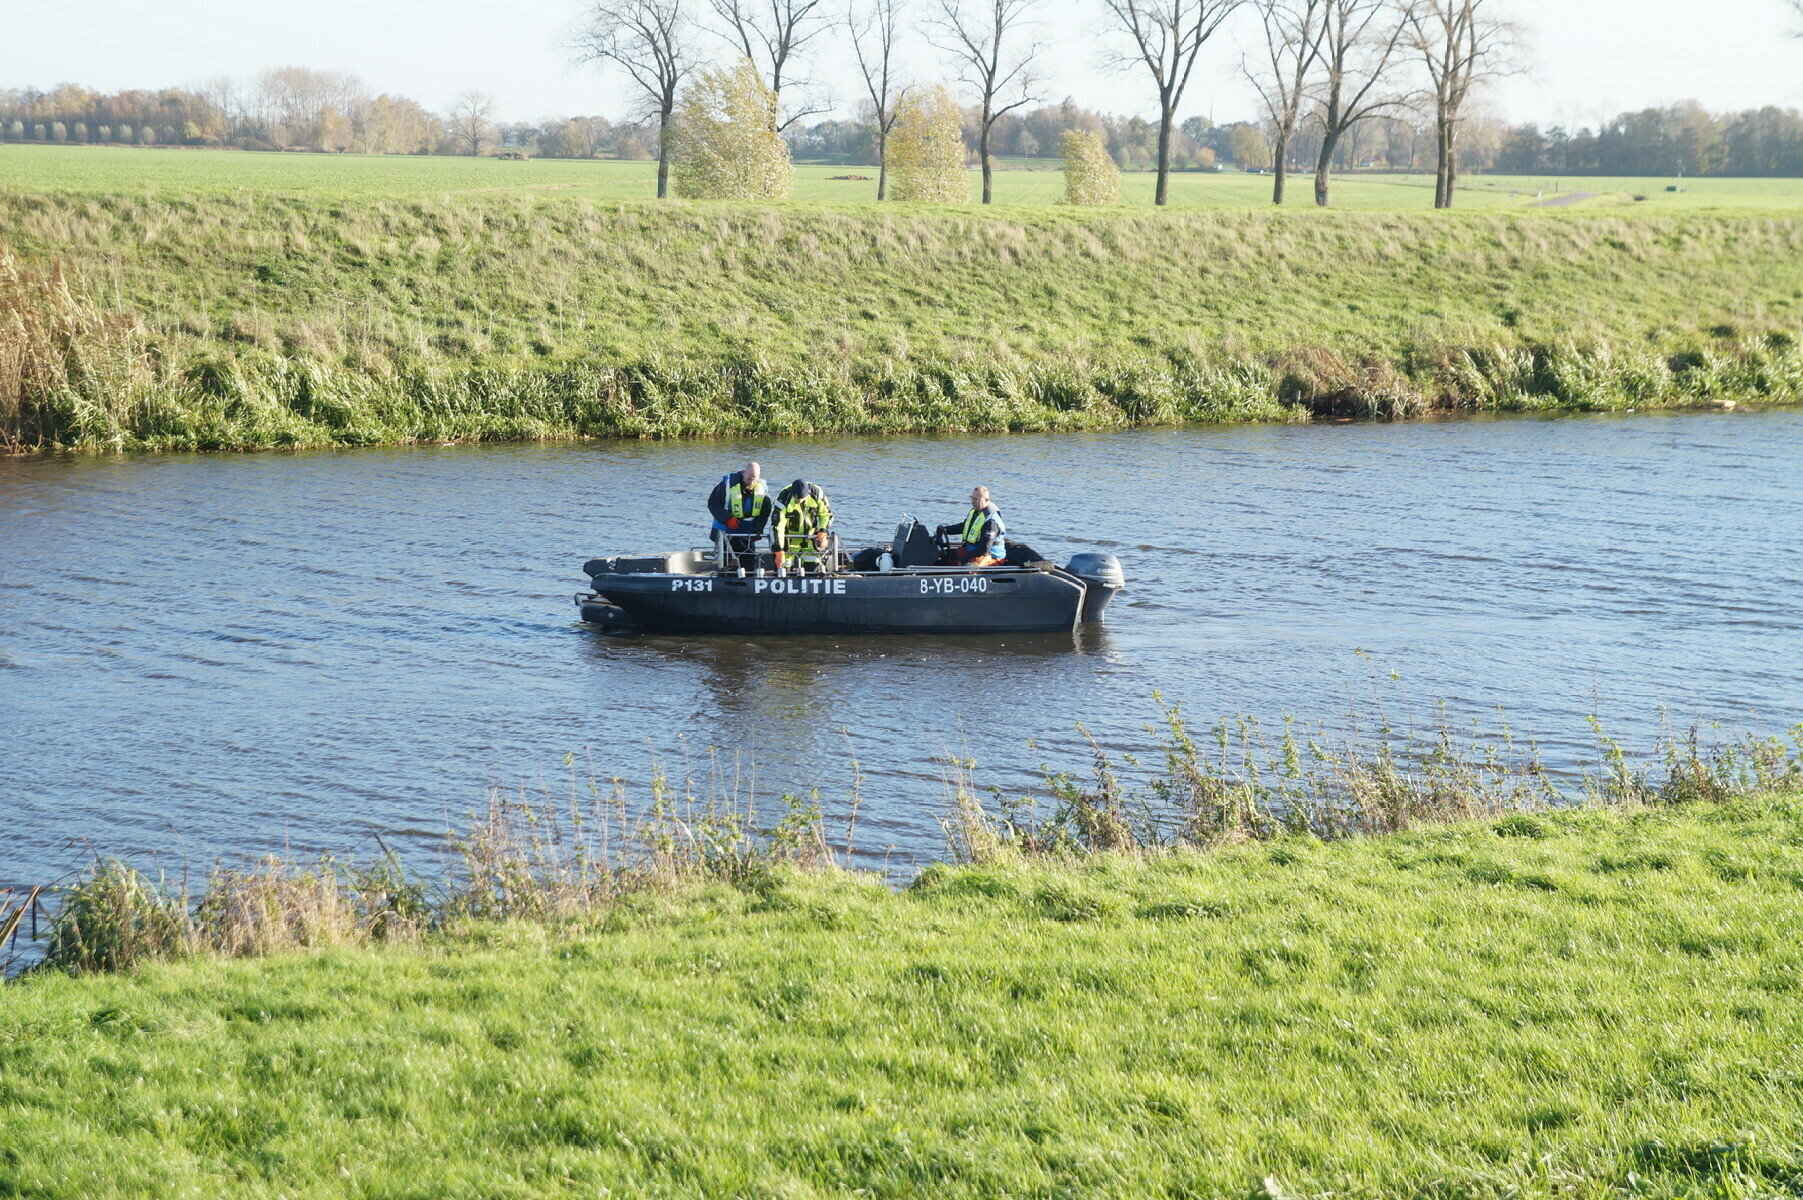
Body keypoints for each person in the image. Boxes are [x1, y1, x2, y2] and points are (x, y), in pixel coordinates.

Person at [706, 461, 770, 570]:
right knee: (724, 561)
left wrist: (758, 530)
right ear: (743, 473)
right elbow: (713, 503)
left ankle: (746, 580)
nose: (751, 482)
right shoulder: (727, 485)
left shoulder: (763, 489)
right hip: (724, 528)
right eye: (749, 479)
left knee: (749, 562)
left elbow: (764, 513)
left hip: (746, 531)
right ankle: (723, 578)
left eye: (754, 479)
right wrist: (727, 519)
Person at [771, 479, 834, 572]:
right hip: (788, 541)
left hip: (810, 540)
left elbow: (826, 515)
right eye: (796, 498)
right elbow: (777, 527)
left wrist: (823, 531)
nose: (799, 501)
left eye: (801, 498)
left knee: (813, 568)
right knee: (783, 570)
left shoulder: (817, 494)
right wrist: (779, 552)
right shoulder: (783, 499)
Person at [939, 485, 1007, 567]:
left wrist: (965, 558)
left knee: (967, 566)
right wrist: (945, 530)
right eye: (972, 498)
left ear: (986, 500)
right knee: (944, 557)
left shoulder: (991, 522)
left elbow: (984, 548)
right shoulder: (976, 512)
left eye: (976, 499)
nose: (973, 501)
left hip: (991, 556)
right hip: (972, 550)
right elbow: (964, 527)